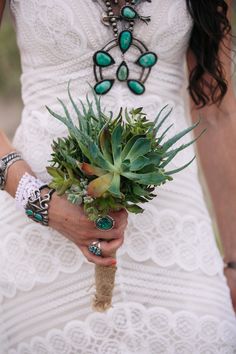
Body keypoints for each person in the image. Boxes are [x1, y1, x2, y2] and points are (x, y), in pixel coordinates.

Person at [0, 0, 236, 353]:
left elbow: (217, 114)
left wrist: (233, 261)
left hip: (174, 236)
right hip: (42, 231)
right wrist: (42, 203)